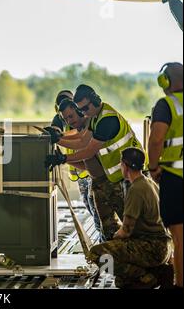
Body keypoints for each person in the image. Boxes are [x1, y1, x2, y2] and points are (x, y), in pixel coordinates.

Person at [45, 84, 144, 240]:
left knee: (133, 226)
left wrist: (63, 158)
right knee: (108, 227)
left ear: (95, 100)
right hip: (115, 177)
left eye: (84, 109)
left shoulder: (107, 120)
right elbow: (82, 140)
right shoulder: (94, 117)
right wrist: (59, 139)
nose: (83, 113)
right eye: (81, 110)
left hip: (129, 175)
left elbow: (88, 149)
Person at [88, 147, 173, 289]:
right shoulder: (150, 183)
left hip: (151, 247)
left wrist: (114, 238)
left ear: (125, 166)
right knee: (122, 282)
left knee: (97, 254)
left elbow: (126, 230)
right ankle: (155, 272)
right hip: (164, 246)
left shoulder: (136, 189)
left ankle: (148, 276)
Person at [148, 62, 183, 288]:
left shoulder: (167, 105)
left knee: (180, 240)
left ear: (165, 81)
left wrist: (153, 168)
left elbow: (156, 139)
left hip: (175, 178)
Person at [56, 99, 103, 242]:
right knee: (100, 224)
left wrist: (59, 143)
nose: (69, 121)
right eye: (66, 119)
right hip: (97, 179)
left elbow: (83, 143)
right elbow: (85, 164)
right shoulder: (82, 127)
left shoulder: (90, 123)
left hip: (109, 179)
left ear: (78, 110)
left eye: (71, 116)